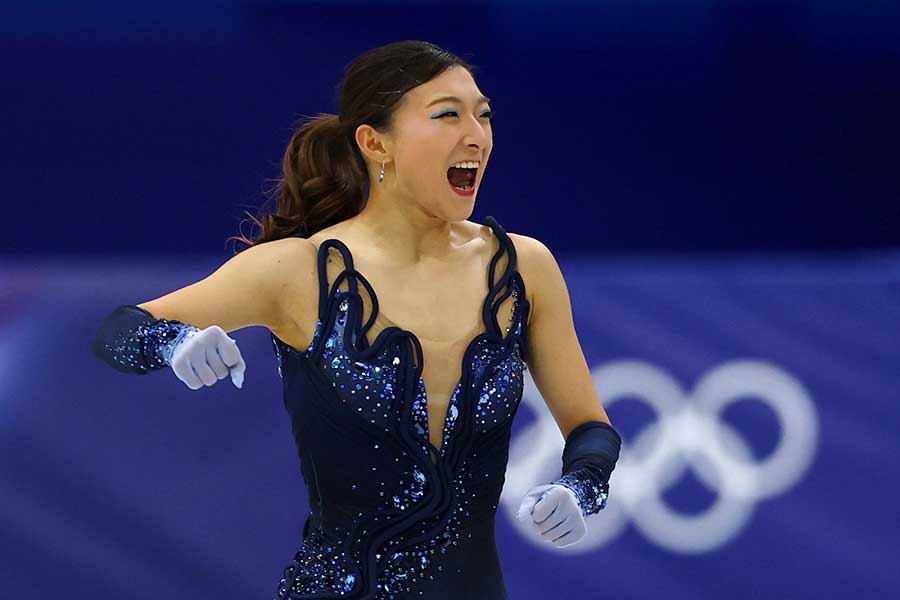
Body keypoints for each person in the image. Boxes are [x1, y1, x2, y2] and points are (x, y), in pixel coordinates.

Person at [92, 40, 622, 600]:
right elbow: (117, 332)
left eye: (483, 115)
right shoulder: (298, 271)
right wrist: (173, 342)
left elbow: (590, 428)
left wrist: (580, 486)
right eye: (447, 114)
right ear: (375, 143)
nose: (477, 135)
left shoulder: (522, 268)